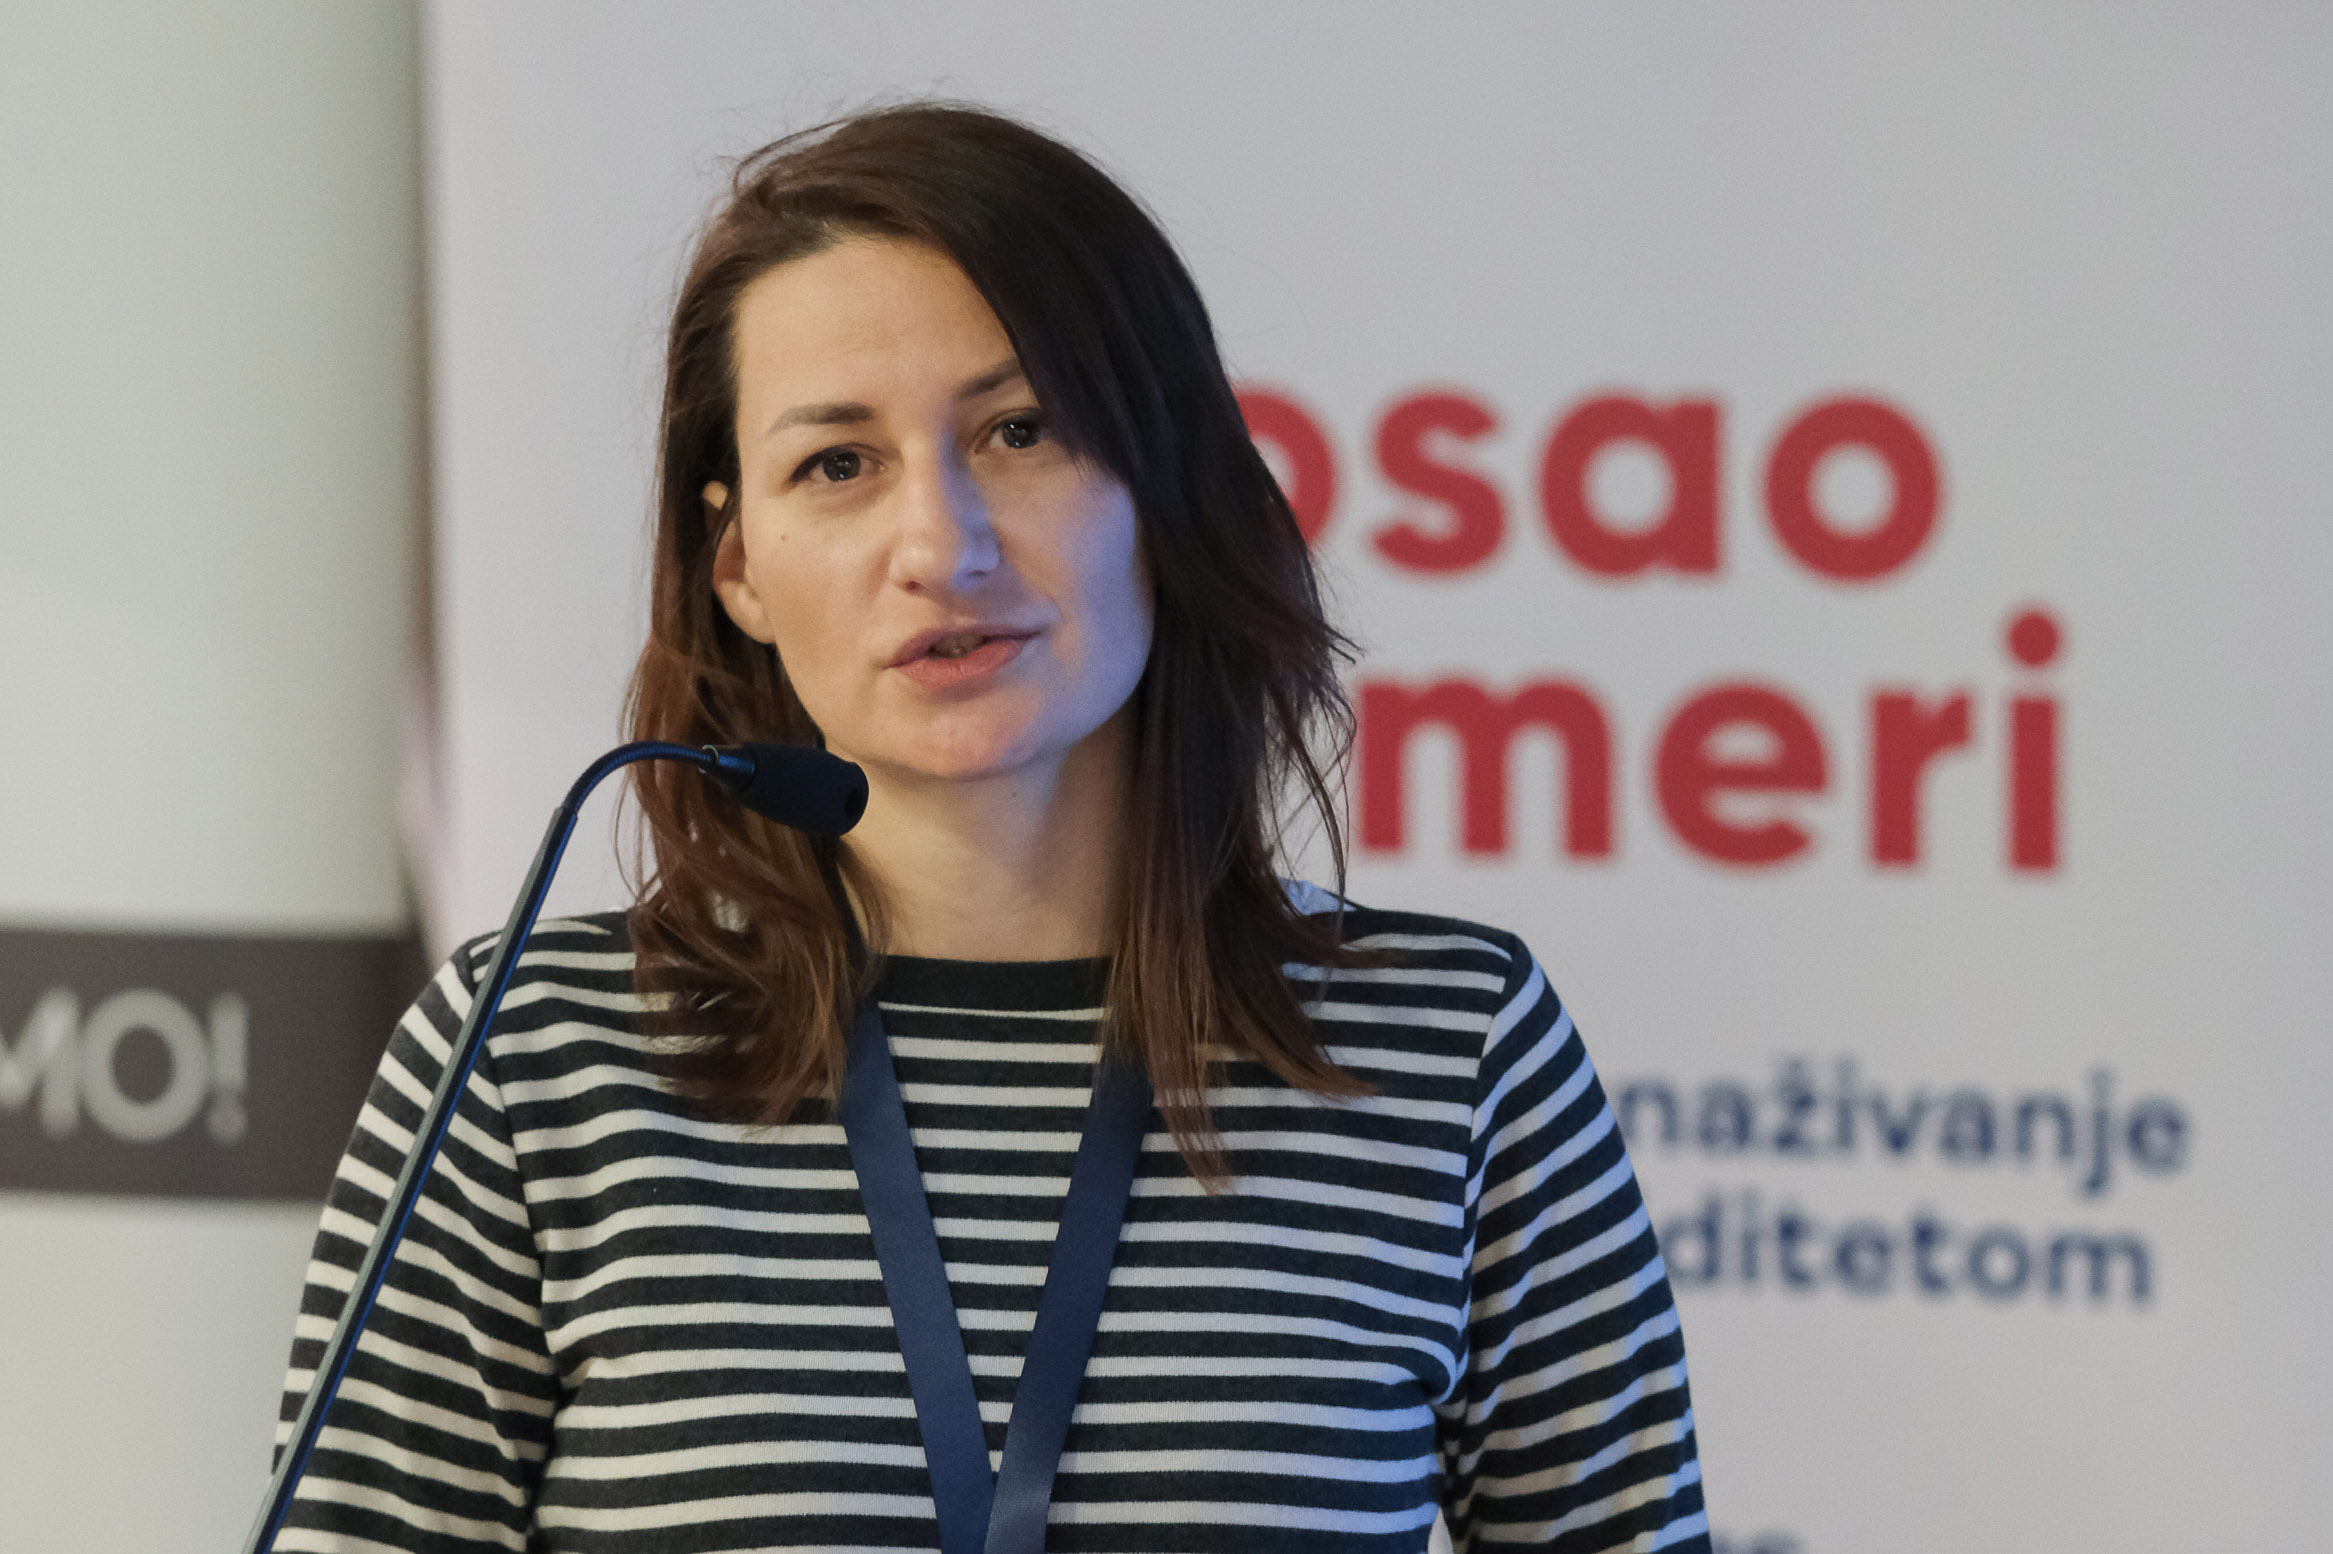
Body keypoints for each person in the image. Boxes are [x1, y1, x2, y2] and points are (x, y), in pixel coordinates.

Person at [273, 103, 1709, 1553]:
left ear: (1167, 487)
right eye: (838, 464)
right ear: (738, 565)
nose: (940, 546)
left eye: (1020, 432)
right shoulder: (527, 1061)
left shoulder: (1452, 1048)